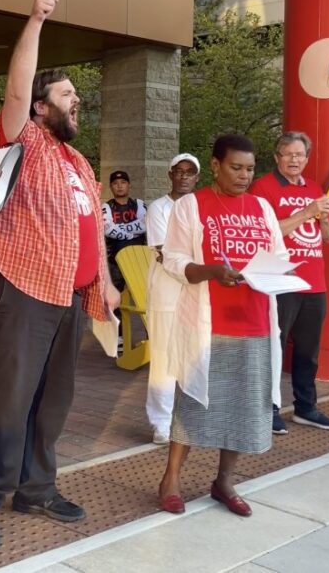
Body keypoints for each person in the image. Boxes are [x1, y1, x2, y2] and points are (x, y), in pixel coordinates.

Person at [0, 0, 120, 552]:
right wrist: (34, 21)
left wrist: (102, 283)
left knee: (53, 401)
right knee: (8, 398)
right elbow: (14, 86)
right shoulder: (18, 140)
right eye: (67, 94)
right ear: (39, 104)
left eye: (78, 96)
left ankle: (36, 488)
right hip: (23, 289)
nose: (77, 101)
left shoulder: (78, 160)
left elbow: (92, 228)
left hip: (71, 297)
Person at [157, 134, 288, 518]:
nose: (244, 176)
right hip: (208, 320)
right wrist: (210, 271)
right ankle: (171, 480)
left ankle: (224, 482)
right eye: (236, 167)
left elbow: (278, 256)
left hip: (256, 322)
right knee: (193, 404)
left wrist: (272, 273)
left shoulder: (262, 207)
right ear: (215, 165)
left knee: (245, 406)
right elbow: (174, 259)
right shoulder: (191, 207)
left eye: (249, 168)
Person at [250, 131, 329, 434]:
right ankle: (268, 407)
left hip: (314, 283)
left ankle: (306, 407)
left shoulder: (316, 188)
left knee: (308, 351)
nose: (294, 159)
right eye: (288, 154)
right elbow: (266, 233)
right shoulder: (263, 188)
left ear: (307, 158)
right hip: (280, 280)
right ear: (277, 157)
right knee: (273, 345)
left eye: (300, 154)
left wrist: (323, 218)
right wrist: (306, 212)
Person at [143, 153, 200, 445]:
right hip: (167, 290)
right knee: (164, 357)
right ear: (171, 175)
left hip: (195, 289)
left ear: (197, 177)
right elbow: (166, 252)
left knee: (193, 354)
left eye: (190, 172)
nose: (185, 177)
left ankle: (189, 417)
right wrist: (201, 270)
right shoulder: (159, 208)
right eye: (179, 171)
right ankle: (161, 423)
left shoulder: (200, 209)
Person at [102, 171, 148, 294]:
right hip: (115, 260)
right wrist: (131, 233)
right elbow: (108, 229)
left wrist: (121, 229)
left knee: (142, 292)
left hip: (139, 257)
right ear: (111, 187)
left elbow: (145, 224)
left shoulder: (139, 204)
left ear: (129, 185)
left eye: (123, 182)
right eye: (115, 183)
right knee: (116, 292)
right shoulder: (106, 207)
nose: (120, 186)